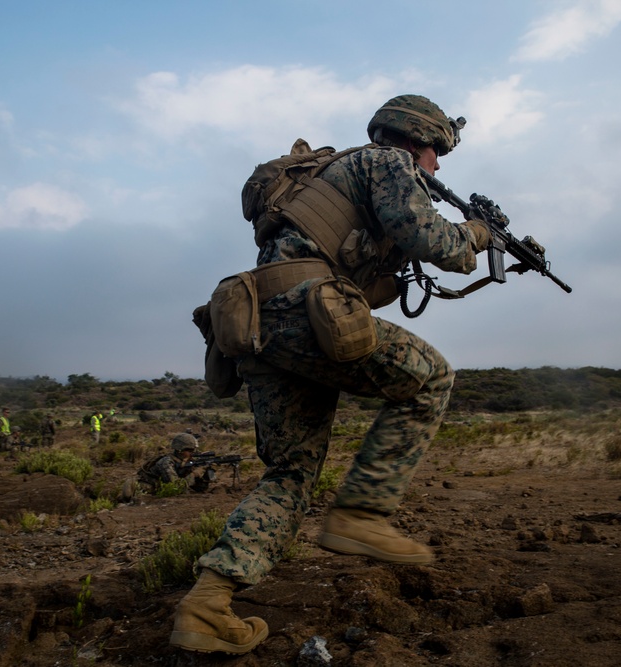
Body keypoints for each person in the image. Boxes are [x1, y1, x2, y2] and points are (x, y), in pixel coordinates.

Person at [170, 95, 492, 654]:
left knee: (291, 475)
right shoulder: (387, 162)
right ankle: (363, 514)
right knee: (431, 377)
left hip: (259, 323)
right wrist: (479, 235)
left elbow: (364, 282)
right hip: (305, 310)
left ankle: (206, 606)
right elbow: (433, 240)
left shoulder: (332, 181)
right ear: (415, 137)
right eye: (436, 150)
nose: (437, 165)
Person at [137, 433, 211, 493]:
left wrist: (206, 475)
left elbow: (200, 488)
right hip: (149, 489)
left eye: (194, 450)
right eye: (190, 450)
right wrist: (194, 474)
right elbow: (176, 488)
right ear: (180, 450)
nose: (193, 453)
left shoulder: (186, 462)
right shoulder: (166, 463)